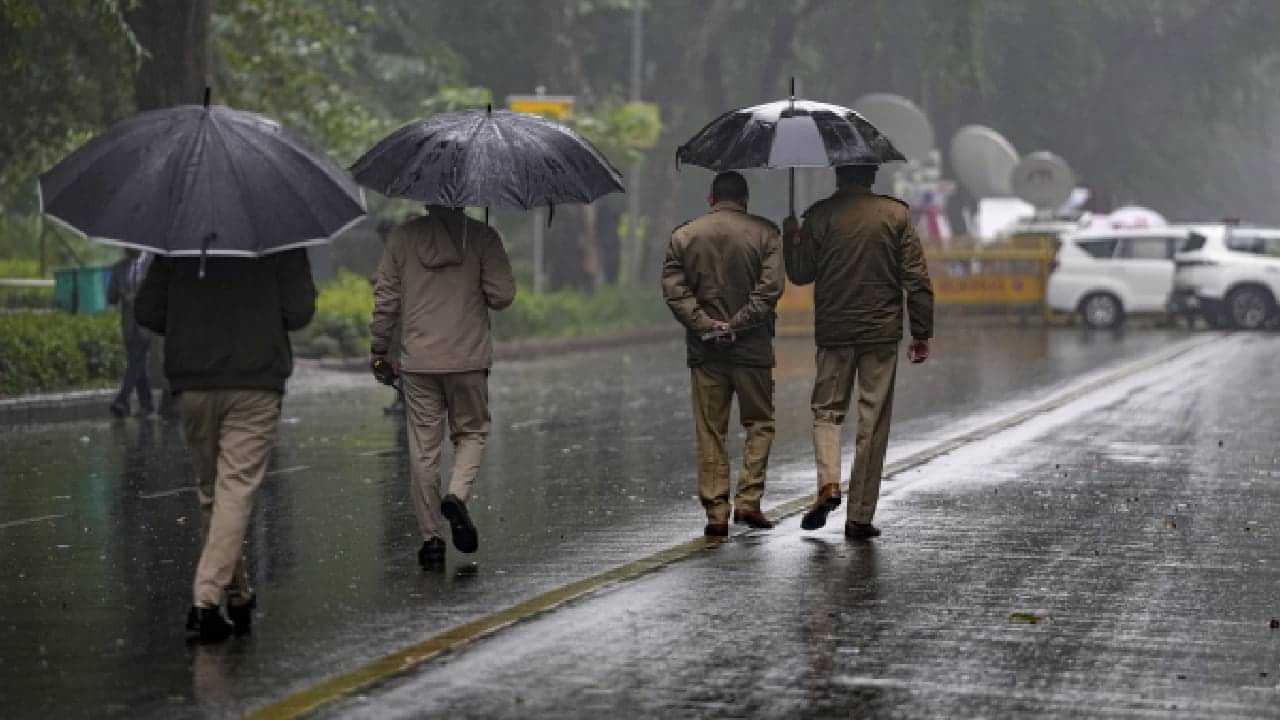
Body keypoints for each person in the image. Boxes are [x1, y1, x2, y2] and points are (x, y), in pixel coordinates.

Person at [135, 249, 316, 642]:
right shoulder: (280, 236)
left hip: (194, 382)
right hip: (255, 380)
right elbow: (299, 312)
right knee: (234, 488)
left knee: (213, 493)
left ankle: (237, 594)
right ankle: (205, 600)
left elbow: (147, 311)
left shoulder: (176, 243)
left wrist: (192, 318)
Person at [783, 164, 934, 540]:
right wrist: (921, 332)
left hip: (834, 332)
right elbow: (916, 279)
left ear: (838, 176)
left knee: (827, 412)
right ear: (872, 177)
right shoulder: (895, 215)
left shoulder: (819, 216)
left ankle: (829, 483)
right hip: (880, 334)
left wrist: (791, 236)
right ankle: (860, 516)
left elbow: (800, 274)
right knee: (873, 420)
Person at [369, 206, 515, 568]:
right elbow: (502, 295)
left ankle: (431, 539)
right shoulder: (482, 236)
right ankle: (457, 495)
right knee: (472, 432)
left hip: (418, 361)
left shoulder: (402, 238)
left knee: (423, 447)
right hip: (468, 359)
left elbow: (386, 299)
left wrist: (379, 349)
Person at [661, 171, 785, 538]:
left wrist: (706, 325)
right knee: (759, 423)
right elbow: (770, 290)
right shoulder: (766, 233)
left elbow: (674, 290)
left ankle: (716, 511)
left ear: (711, 198)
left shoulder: (684, 236)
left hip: (705, 351)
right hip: (752, 349)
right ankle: (748, 500)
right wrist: (738, 324)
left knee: (711, 430)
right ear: (745, 199)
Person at [107, 249, 154, 417]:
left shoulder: (153, 265)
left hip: (147, 323)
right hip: (128, 325)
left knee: (136, 359)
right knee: (137, 363)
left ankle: (122, 399)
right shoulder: (119, 268)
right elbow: (110, 298)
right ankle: (147, 405)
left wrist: (140, 297)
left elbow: (160, 292)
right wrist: (121, 294)